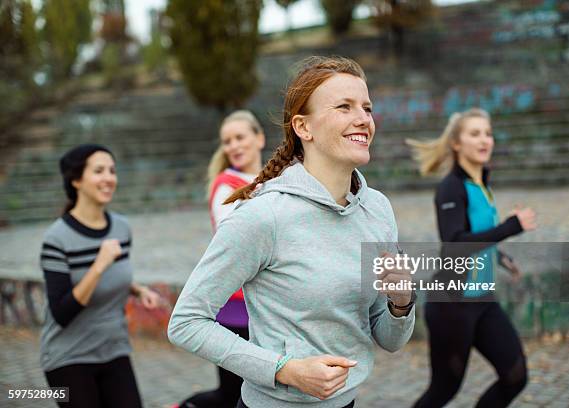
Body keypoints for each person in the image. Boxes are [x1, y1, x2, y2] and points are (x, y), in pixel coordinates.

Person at [168, 56, 416, 408]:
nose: (363, 119)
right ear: (303, 127)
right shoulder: (262, 215)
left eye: (367, 108)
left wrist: (401, 302)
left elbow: (389, 339)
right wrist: (284, 369)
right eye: (344, 107)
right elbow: (186, 322)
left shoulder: (377, 210)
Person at [406, 108, 537, 407]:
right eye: (475, 133)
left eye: (488, 133)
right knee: (444, 390)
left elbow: (475, 234)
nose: (484, 140)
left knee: (515, 375)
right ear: (456, 143)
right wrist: (510, 227)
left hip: (483, 301)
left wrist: (500, 257)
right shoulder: (451, 187)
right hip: (451, 305)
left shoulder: (482, 183)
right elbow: (454, 243)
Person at [40, 144, 161, 408]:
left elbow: (115, 277)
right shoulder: (56, 238)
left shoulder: (121, 227)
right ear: (76, 180)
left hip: (114, 349)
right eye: (98, 171)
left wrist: (138, 290)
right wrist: (99, 264)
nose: (108, 178)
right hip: (69, 358)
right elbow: (61, 312)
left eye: (112, 170)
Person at [178, 110, 265, 408]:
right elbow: (235, 241)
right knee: (232, 394)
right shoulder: (226, 185)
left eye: (240, 137)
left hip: (263, 301)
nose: (233, 145)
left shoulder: (275, 178)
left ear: (259, 138)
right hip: (235, 305)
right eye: (227, 141)